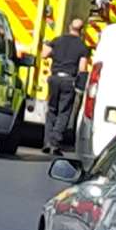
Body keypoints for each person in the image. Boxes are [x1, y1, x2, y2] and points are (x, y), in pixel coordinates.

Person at [41, 17, 91, 154]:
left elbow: (44, 55)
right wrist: (81, 86)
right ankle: (54, 142)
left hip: (54, 79)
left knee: (52, 110)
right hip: (69, 81)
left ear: (69, 27)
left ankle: (47, 141)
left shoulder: (57, 40)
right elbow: (82, 68)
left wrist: (47, 44)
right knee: (64, 112)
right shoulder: (82, 47)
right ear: (82, 31)